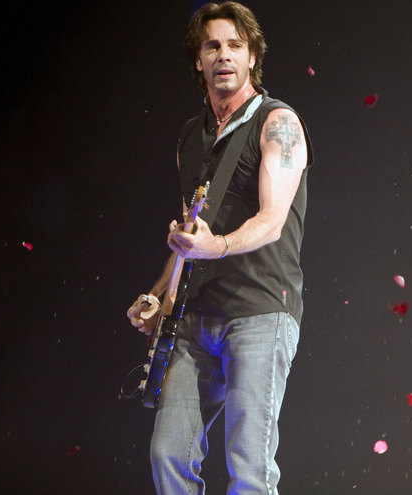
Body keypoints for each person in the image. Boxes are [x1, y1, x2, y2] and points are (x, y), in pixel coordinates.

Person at [126, 2, 313, 493]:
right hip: (195, 318)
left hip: (260, 310)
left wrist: (219, 246)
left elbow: (272, 221)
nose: (223, 55)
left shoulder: (278, 122)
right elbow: (191, 236)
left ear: (252, 57)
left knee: (249, 468)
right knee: (169, 453)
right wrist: (159, 296)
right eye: (212, 46)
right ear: (199, 60)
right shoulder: (191, 136)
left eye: (235, 45)